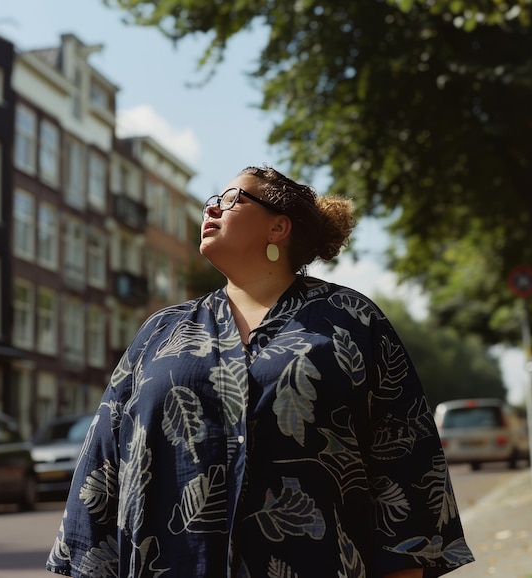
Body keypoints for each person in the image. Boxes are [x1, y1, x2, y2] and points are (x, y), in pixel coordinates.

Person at [46, 165, 474, 578]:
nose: (211, 209)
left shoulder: (352, 322)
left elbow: (408, 464)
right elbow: (101, 467)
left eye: (231, 200)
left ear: (278, 228)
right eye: (212, 201)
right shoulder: (161, 332)